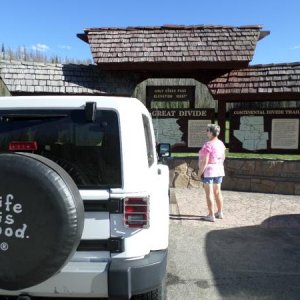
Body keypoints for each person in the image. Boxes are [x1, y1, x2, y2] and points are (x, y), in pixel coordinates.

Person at [198, 124, 226, 222]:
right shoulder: (221, 143)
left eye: (207, 130)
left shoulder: (208, 144)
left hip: (209, 171)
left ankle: (211, 215)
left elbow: (205, 161)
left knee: (209, 193)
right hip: (219, 170)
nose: (207, 132)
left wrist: (200, 172)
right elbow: (223, 157)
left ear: (211, 132)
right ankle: (220, 212)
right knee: (218, 192)